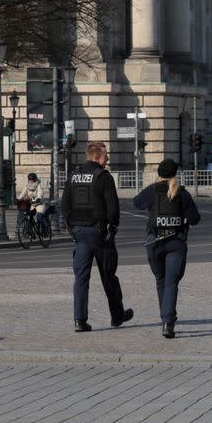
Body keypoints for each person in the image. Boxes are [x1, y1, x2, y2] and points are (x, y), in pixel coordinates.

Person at [61, 141, 133, 332]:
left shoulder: (74, 176)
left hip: (80, 234)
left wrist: (72, 229)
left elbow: (65, 206)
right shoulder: (103, 177)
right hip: (100, 234)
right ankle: (117, 315)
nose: (107, 158)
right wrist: (113, 228)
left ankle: (79, 320)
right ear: (96, 157)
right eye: (105, 155)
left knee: (81, 278)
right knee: (109, 276)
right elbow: (113, 208)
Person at [134, 158, 201, 339]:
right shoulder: (182, 193)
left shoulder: (152, 190)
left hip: (154, 242)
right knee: (171, 282)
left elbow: (136, 203)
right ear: (175, 174)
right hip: (176, 242)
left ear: (159, 174)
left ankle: (165, 317)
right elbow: (195, 218)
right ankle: (167, 322)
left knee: (161, 281)